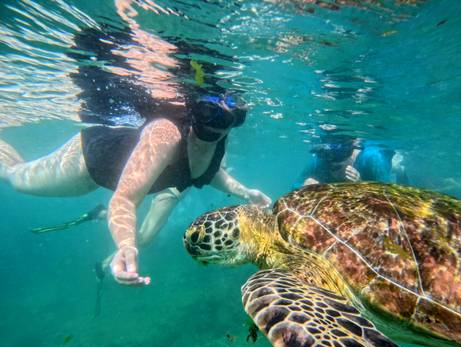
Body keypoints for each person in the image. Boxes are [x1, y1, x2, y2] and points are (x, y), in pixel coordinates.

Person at [0, 0, 271, 287]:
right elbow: (125, 199)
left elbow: (207, 171)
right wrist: (126, 245)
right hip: (90, 165)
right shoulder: (165, 134)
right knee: (14, 176)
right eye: (208, 113)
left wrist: (243, 191)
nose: (218, 125)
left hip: (109, 164)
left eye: (229, 119)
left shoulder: (218, 139)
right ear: (193, 114)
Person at [299, 135, 409, 186]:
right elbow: (296, 184)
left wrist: (362, 184)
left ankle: (397, 167)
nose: (335, 174)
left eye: (338, 167)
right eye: (331, 167)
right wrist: (303, 185)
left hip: (377, 170)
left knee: (396, 171)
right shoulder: (320, 161)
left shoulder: (371, 158)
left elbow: (387, 195)